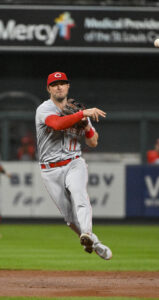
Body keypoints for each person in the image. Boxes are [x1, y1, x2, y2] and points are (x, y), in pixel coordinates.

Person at [35, 71, 112, 260]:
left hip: (73, 162)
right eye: (55, 84)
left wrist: (86, 125)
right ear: (48, 89)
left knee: (79, 194)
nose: (59, 86)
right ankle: (94, 243)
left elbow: (93, 142)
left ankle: (86, 231)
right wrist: (81, 114)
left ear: (68, 86)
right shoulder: (44, 109)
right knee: (70, 219)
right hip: (50, 169)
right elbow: (57, 124)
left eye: (62, 83)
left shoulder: (77, 110)